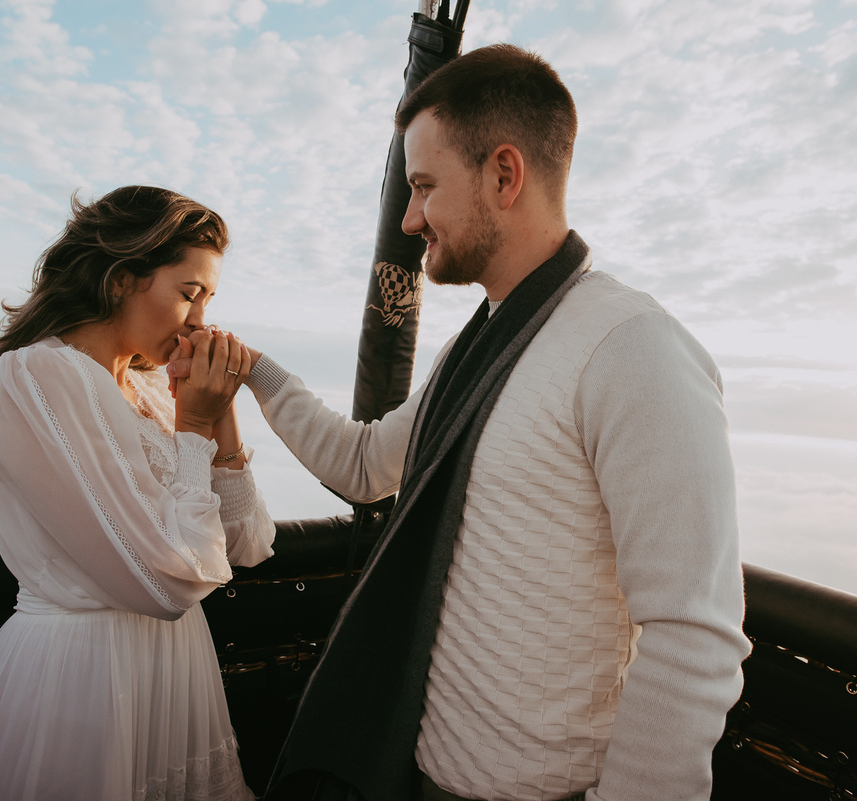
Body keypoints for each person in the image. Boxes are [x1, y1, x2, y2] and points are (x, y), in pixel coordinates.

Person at [175, 44, 750, 801]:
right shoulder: (477, 347)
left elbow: (692, 634)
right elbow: (361, 462)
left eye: (423, 186)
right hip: (420, 771)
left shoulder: (631, 347)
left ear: (503, 175)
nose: (411, 218)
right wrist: (251, 369)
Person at [0, 185, 276, 801]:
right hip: (80, 688)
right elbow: (166, 583)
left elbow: (247, 544)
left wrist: (218, 414)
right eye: (189, 293)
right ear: (120, 278)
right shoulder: (37, 376)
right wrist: (192, 425)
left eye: (210, 299)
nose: (201, 319)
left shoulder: (149, 389)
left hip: (174, 686)